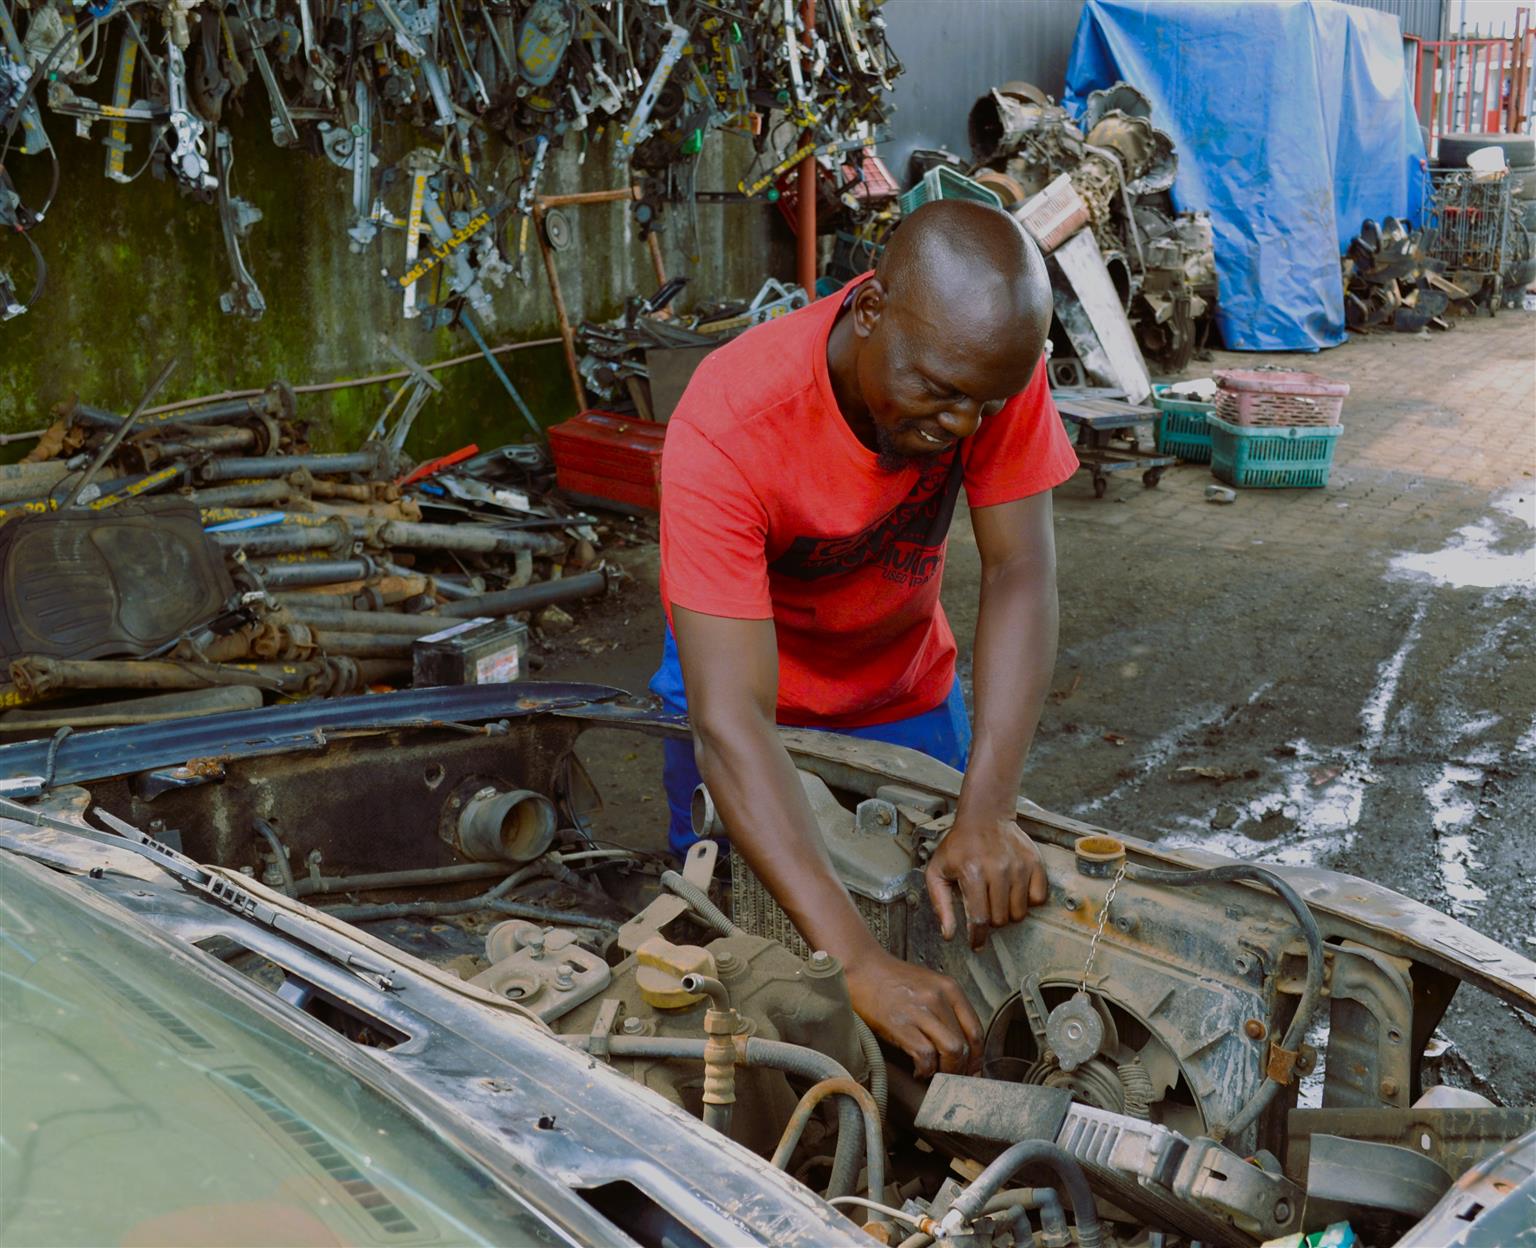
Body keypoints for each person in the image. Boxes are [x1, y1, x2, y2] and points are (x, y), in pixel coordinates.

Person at [652, 199, 1078, 1078]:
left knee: (957, 936)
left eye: (984, 403)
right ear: (870, 310)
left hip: (905, 697)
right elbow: (731, 719)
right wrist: (857, 965)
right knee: (728, 955)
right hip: (744, 706)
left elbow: (1021, 574)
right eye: (938, 393)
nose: (963, 425)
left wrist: (987, 811)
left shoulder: (987, 362)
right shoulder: (729, 423)